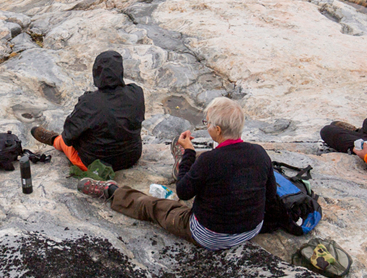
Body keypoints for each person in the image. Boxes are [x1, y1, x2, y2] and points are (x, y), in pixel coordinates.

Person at [77, 97, 275, 250]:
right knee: (206, 176)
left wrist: (190, 152)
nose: (207, 126)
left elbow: (183, 193)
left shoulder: (209, 160)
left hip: (210, 236)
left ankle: (112, 192)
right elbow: (271, 196)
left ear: (218, 130)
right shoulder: (259, 153)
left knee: (156, 206)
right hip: (250, 230)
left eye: (207, 123)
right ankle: (182, 166)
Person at [30, 50, 144, 171]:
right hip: (131, 156)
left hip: (95, 163)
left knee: (65, 141)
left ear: (96, 72)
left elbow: (69, 136)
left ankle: (54, 140)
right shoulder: (136, 93)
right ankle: (55, 139)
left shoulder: (89, 103)